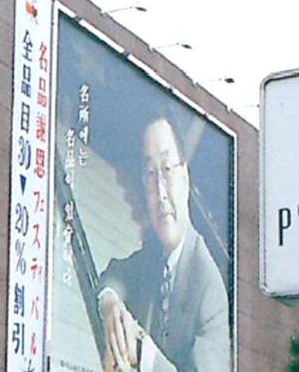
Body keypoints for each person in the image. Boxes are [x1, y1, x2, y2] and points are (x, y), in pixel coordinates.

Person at [98, 118, 230, 372]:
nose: (160, 191)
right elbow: (117, 274)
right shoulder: (155, 255)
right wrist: (111, 304)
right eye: (150, 174)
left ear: (185, 178)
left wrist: (140, 349)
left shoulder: (210, 288)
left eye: (167, 169)